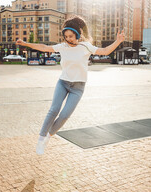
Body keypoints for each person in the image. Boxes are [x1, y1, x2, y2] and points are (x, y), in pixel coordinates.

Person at [16, 15, 125, 155]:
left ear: (77, 34)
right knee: (53, 110)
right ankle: (40, 139)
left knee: (65, 115)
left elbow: (104, 51)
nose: (68, 39)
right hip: (63, 83)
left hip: (78, 88)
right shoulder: (63, 47)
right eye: (66, 36)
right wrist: (26, 44)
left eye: (71, 36)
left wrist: (118, 41)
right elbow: (44, 47)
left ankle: (48, 137)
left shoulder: (86, 47)